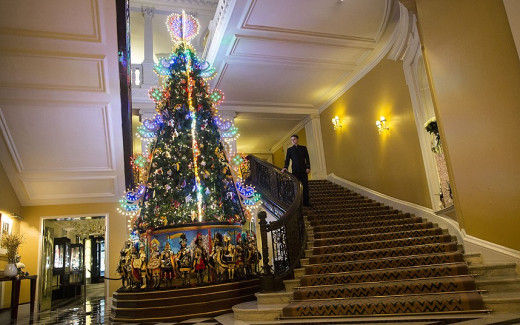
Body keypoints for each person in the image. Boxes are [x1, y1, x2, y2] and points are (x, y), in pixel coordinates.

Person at [281, 134, 311, 207]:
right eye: (292, 140)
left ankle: (306, 203)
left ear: (297, 139)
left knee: (305, 186)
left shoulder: (303, 148)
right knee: (297, 187)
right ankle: (298, 203)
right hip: (295, 171)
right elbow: (287, 160)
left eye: (294, 139)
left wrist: (308, 167)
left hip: (303, 170)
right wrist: (285, 167)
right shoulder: (290, 150)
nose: (293, 141)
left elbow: (307, 158)